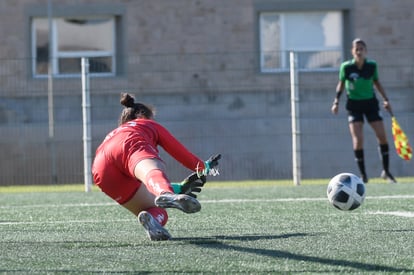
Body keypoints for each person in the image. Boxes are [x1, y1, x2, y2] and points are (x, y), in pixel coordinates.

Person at [92, 93, 219, 241]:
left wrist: (180, 188)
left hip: (101, 168)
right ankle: (166, 193)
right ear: (144, 115)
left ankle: (152, 221)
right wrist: (204, 167)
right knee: (154, 170)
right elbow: (180, 152)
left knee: (158, 211)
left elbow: (145, 183)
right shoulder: (147, 124)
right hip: (128, 146)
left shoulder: (114, 132)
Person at [331, 38, 396, 184]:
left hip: (371, 104)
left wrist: (386, 100)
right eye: (356, 49)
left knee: (382, 136)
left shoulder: (371, 65)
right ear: (352, 52)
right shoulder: (346, 67)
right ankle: (363, 175)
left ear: (365, 51)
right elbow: (341, 84)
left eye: (361, 49)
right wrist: (336, 101)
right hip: (354, 106)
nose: (359, 51)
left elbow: (377, 82)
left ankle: (386, 172)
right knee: (358, 139)